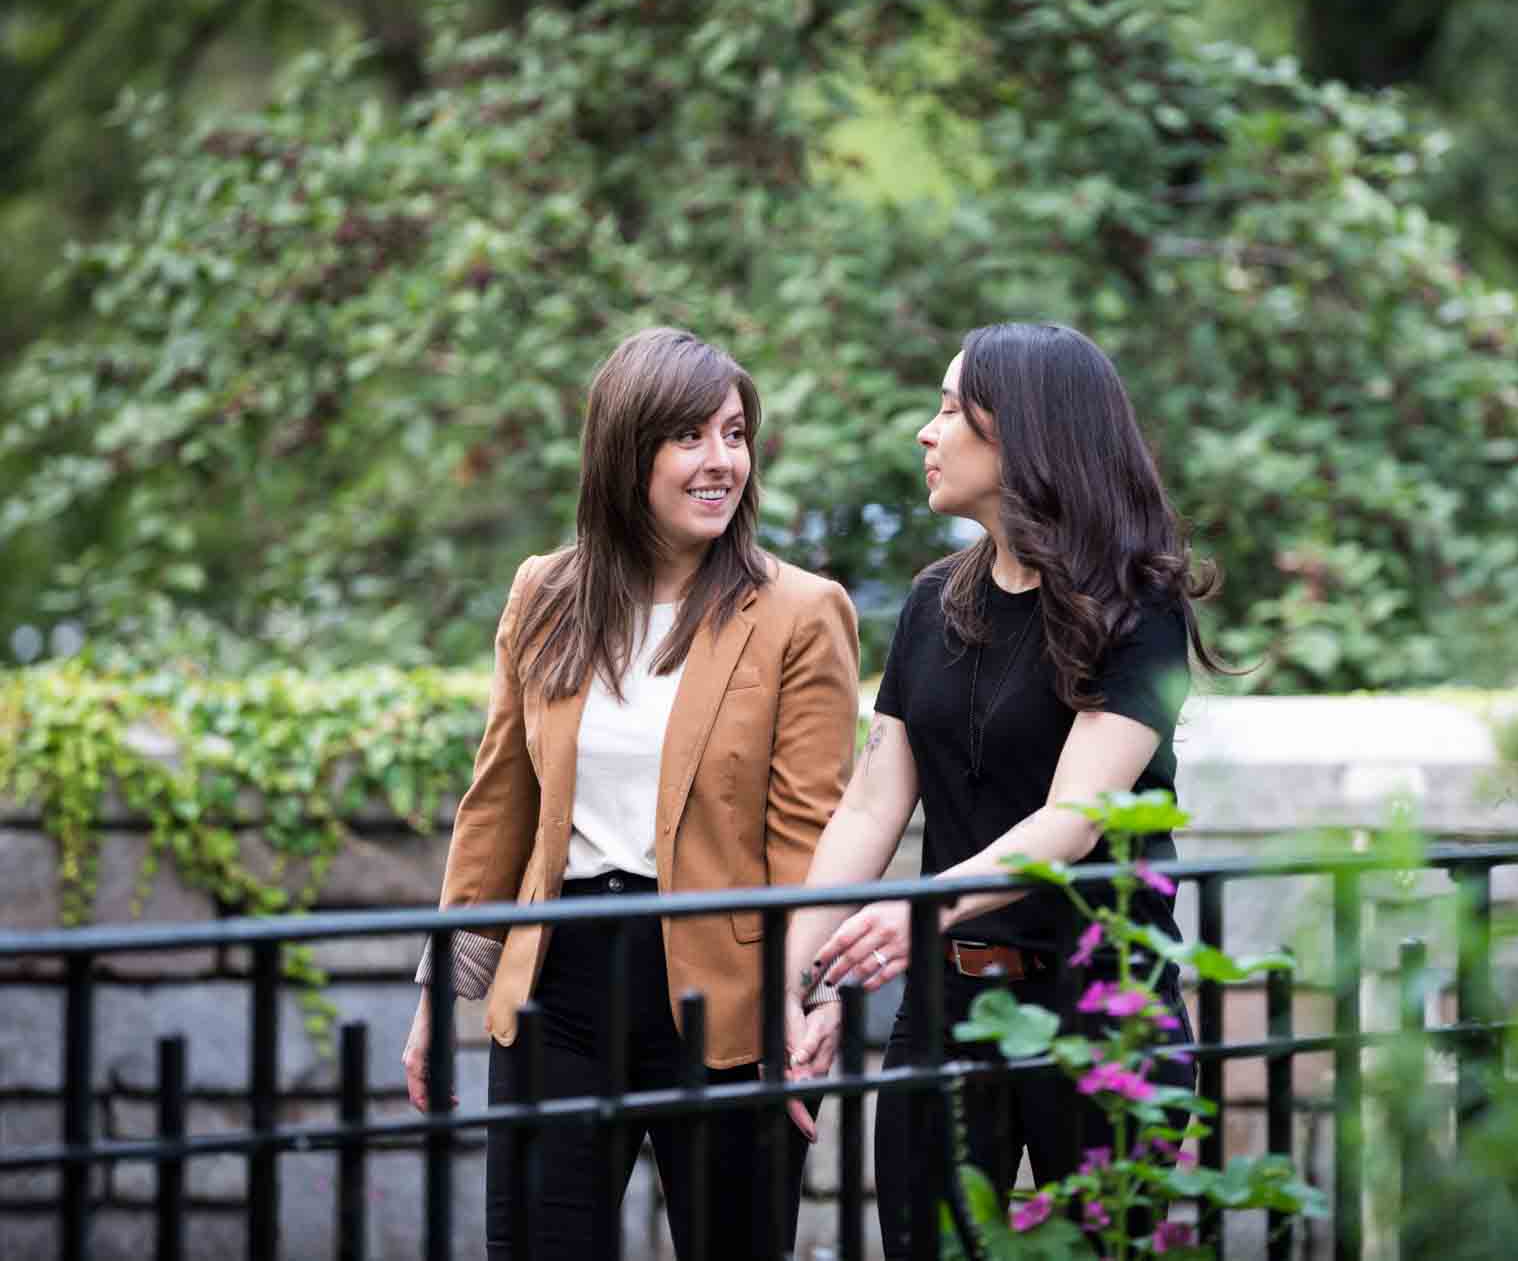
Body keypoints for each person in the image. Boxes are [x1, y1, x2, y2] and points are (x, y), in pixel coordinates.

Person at [399, 326, 860, 1259]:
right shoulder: (546, 595)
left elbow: (808, 833)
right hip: (555, 987)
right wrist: (439, 994)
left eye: (734, 434)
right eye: (689, 436)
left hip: (724, 1000)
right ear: (625, 450)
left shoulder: (801, 612)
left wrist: (802, 998)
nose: (720, 460)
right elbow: (499, 803)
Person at [781, 322, 1229, 1258]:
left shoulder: (1140, 610)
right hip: (947, 1011)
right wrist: (798, 975)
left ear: (1022, 435)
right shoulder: (932, 601)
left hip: (1100, 1011)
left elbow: (1072, 818)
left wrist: (917, 912)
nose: (925, 431)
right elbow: (869, 806)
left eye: (950, 409)